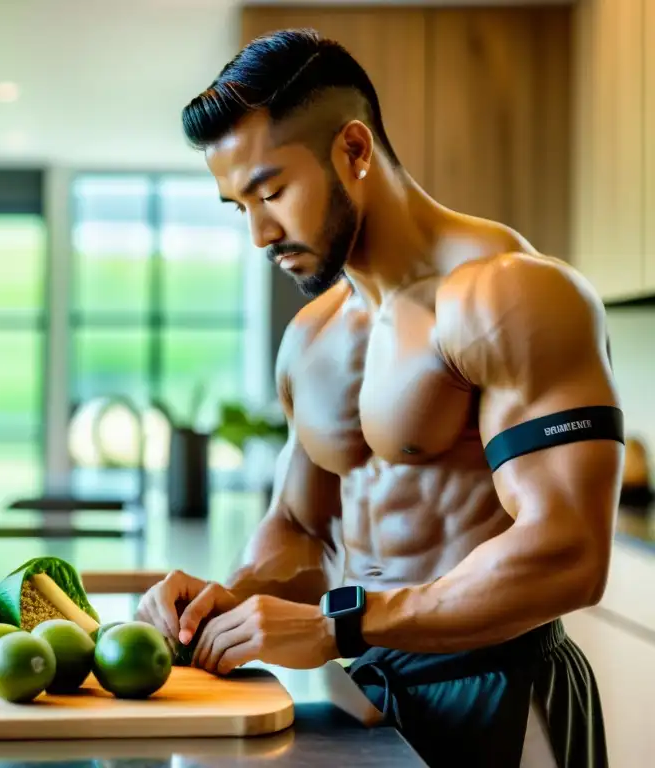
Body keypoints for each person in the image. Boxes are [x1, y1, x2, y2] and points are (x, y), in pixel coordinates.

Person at [135, 28, 622, 768]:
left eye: (272, 191)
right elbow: (299, 526)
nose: (261, 233)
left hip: (498, 687)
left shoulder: (510, 296)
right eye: (241, 207)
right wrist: (223, 601)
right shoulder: (312, 336)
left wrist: (347, 621)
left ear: (354, 151)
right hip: (366, 688)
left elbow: (569, 553)